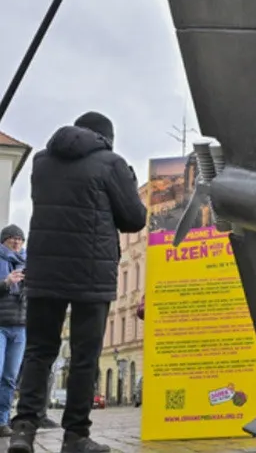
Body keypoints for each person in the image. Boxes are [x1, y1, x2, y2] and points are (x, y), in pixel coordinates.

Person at [9, 112, 147, 453]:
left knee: (39, 351)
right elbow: (133, 219)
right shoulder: (112, 163)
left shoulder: (41, 162)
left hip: (44, 270)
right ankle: (75, 437)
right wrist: (127, 180)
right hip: (90, 272)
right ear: (106, 138)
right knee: (85, 356)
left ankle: (23, 431)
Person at [0, 226, 26, 437]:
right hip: (0, 324)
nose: (16, 243)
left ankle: (2, 421)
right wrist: (6, 283)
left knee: (10, 377)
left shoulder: (27, 263)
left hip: (20, 327)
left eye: (20, 239)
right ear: (4, 241)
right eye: (12, 239)